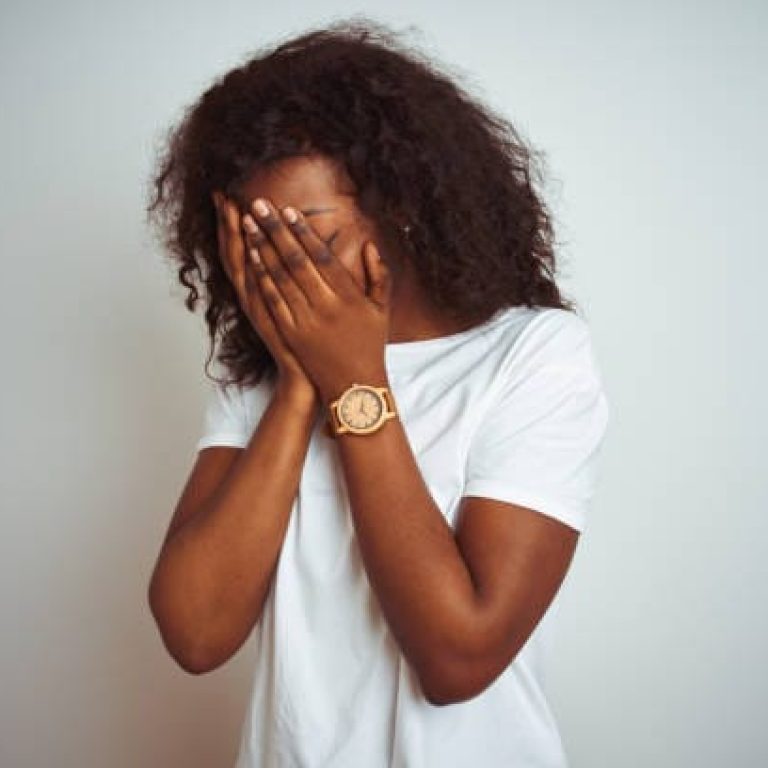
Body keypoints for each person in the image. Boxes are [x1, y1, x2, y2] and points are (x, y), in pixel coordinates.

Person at [146, 18, 610, 768]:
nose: (286, 272)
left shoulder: (532, 355)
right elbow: (196, 634)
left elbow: (456, 660)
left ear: (400, 203)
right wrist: (300, 381)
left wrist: (355, 384)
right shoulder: (260, 376)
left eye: (312, 238)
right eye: (260, 249)